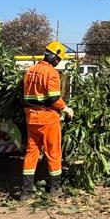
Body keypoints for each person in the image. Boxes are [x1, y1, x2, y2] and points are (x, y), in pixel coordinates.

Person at [21, 41, 74, 200]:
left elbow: (25, 97)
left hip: (31, 117)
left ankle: (25, 192)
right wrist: (65, 108)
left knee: (31, 153)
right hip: (48, 119)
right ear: (56, 57)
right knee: (53, 153)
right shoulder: (51, 73)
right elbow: (53, 98)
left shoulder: (30, 70)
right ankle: (54, 189)